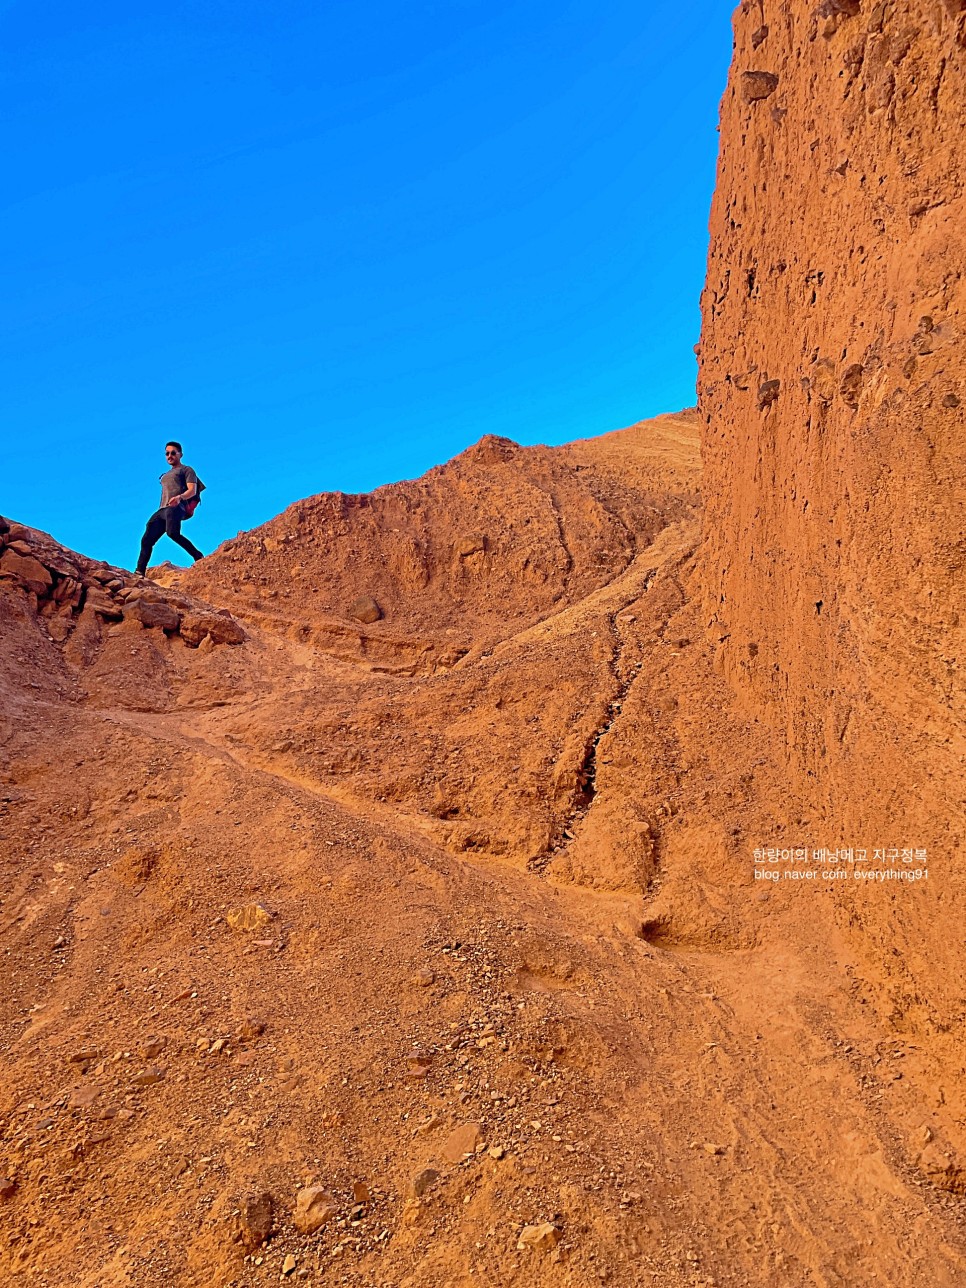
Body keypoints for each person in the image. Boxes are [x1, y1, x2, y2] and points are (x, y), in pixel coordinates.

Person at [135, 441, 204, 577]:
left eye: (173, 453)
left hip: (178, 507)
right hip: (162, 509)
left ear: (180, 454)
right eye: (167, 453)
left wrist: (179, 498)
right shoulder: (165, 475)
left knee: (172, 533)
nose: (169, 456)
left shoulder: (187, 470)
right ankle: (139, 572)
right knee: (146, 539)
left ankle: (197, 555)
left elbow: (192, 490)